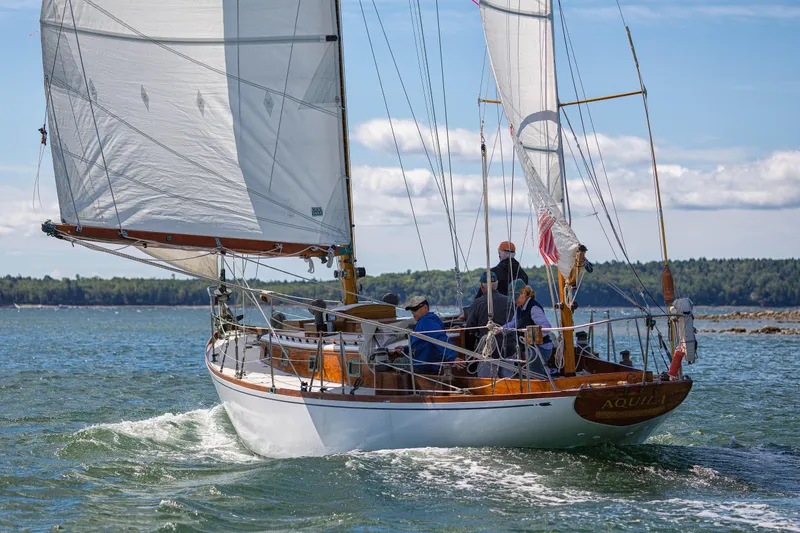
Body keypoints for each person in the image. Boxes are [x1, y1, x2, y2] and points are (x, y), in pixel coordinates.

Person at [395, 296, 465, 374]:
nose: (412, 312)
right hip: (426, 363)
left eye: (415, 309)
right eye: (411, 310)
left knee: (394, 362)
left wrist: (453, 357)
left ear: (425, 308)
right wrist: (405, 349)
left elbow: (439, 338)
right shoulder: (428, 320)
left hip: (421, 365)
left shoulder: (426, 321)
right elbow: (421, 344)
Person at [466, 271, 514, 377]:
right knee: (508, 382)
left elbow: (470, 327)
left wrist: (479, 335)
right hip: (508, 348)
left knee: (486, 382)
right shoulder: (509, 301)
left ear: (482, 287)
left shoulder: (477, 303)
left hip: (488, 349)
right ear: (496, 285)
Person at [502, 280, 554, 376]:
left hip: (541, 348)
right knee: (532, 373)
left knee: (536, 374)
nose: (514, 301)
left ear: (524, 293)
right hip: (530, 349)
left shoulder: (534, 308)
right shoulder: (519, 308)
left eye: (516, 298)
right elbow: (514, 323)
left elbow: (546, 327)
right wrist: (501, 329)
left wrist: (530, 336)